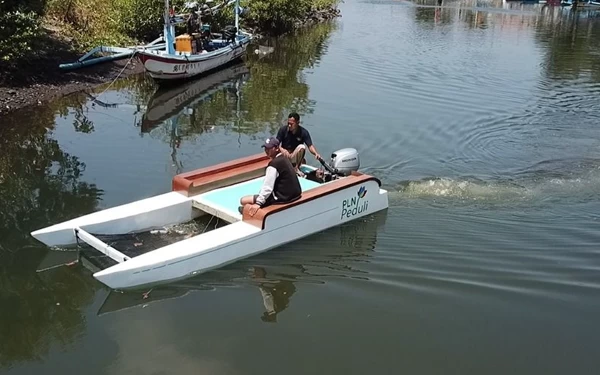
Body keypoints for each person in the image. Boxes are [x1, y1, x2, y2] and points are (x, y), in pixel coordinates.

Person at [240, 136, 302, 216]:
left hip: (283, 198)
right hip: (295, 195)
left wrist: (258, 203)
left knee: (243, 200)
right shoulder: (285, 159)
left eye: (269, 148)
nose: (266, 150)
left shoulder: (274, 164)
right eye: (265, 148)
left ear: (276, 148)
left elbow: (268, 187)